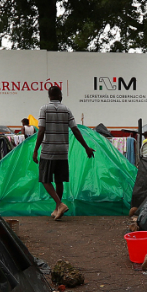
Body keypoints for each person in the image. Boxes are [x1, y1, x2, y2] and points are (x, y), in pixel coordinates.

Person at [33, 85, 95, 220]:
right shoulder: (66, 110)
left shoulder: (44, 109)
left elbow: (41, 130)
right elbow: (75, 130)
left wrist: (36, 149)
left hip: (48, 151)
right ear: (61, 96)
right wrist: (86, 147)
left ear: (49, 96)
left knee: (45, 179)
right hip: (62, 151)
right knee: (59, 180)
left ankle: (59, 204)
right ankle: (57, 209)